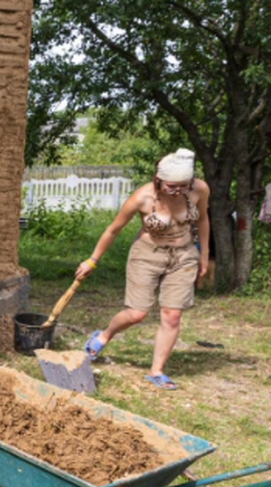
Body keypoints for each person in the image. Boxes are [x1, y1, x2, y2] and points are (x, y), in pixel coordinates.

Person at [76, 148, 211, 390]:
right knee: (137, 313)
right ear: (158, 180)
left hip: (184, 255)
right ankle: (104, 335)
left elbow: (202, 220)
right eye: (172, 186)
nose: (178, 191)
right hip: (147, 255)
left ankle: (157, 371)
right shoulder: (142, 197)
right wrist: (92, 260)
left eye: (183, 185)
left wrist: (204, 255)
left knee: (172, 314)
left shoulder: (199, 189)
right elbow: (113, 230)